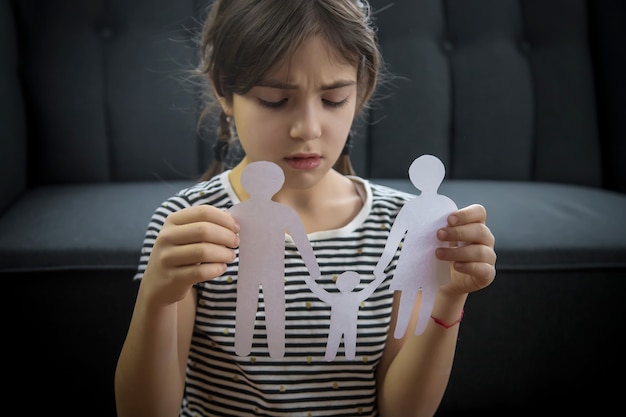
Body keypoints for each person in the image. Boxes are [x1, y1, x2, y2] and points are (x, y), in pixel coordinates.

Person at [114, 1, 497, 416]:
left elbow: (402, 410)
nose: (308, 129)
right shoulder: (190, 223)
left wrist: (448, 299)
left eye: (333, 99)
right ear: (224, 93)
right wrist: (155, 298)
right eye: (275, 100)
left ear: (360, 92)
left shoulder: (396, 226)